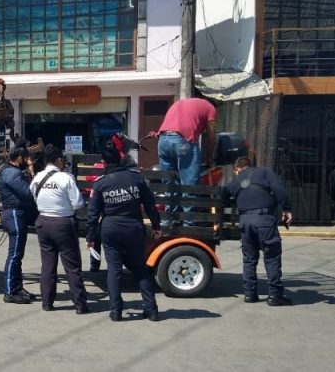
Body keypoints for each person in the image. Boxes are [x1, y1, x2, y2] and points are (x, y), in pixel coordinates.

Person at [87, 133, 162, 322]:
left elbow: (93, 214)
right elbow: (151, 205)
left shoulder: (101, 184)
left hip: (110, 228)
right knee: (139, 269)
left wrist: (90, 237)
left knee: (114, 270)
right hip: (133, 227)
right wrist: (156, 226)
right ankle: (151, 310)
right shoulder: (136, 178)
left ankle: (116, 311)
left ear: (104, 162)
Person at [224, 157, 294, 306]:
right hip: (264, 220)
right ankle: (275, 296)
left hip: (245, 221)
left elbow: (223, 194)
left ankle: (250, 294)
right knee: (272, 257)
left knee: (249, 259)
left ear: (237, 169)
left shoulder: (236, 181)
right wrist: (286, 208)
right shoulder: (265, 172)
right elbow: (279, 189)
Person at [30, 145, 89, 313]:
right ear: (58, 160)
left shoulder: (37, 178)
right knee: (71, 265)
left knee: (48, 265)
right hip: (63, 223)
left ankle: (47, 303)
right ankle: (80, 305)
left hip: (43, 222)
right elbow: (78, 203)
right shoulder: (66, 178)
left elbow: (33, 197)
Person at [0, 146, 38, 304]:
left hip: (16, 215)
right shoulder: (12, 173)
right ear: (20, 158)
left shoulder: (10, 172)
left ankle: (17, 287)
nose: (28, 161)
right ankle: (9, 292)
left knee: (18, 255)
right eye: (26, 158)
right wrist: (32, 172)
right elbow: (28, 194)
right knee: (14, 255)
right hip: (14, 215)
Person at [156, 97, 217, 186]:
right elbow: (211, 137)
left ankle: (169, 199)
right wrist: (209, 158)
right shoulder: (210, 108)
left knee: (169, 186)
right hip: (182, 141)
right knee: (189, 185)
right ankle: (188, 200)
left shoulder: (179, 103)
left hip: (163, 141)